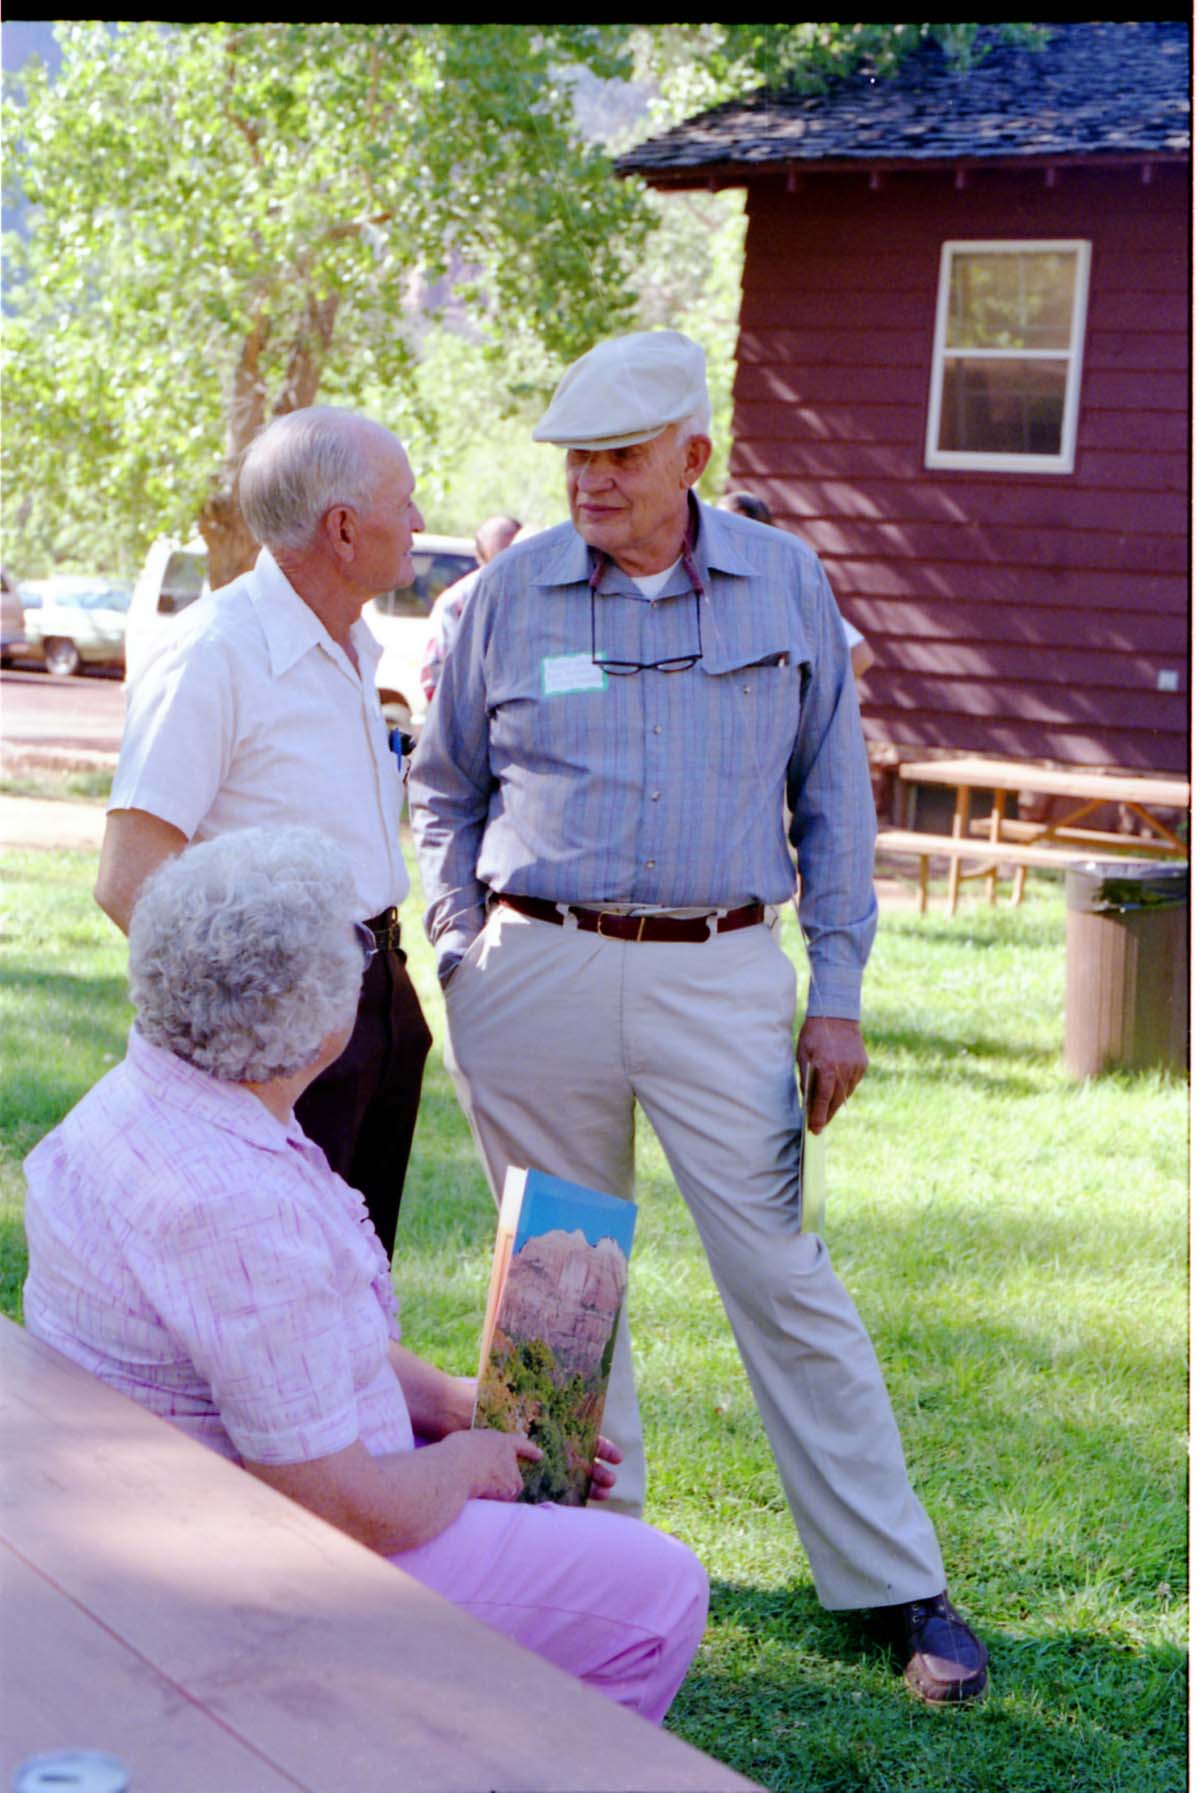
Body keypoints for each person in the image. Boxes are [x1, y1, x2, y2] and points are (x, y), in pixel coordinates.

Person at [408, 328, 988, 1705]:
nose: (591, 483)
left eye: (618, 456)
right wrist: (456, 949)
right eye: (574, 460)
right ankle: (572, 1557)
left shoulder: (787, 584)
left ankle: (896, 1581)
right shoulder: (507, 595)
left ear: (693, 457)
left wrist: (836, 995)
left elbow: (837, 806)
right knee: (561, 1273)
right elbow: (445, 785)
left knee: (785, 1272)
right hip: (534, 966)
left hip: (724, 972)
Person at [25, 826, 708, 1723]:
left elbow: (287, 1346)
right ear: (315, 1021)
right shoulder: (231, 1203)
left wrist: (446, 1403)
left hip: (177, 1506)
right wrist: (467, 1465)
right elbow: (343, 1505)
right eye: (351, 944)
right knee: (659, 1589)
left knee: (575, 1529)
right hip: (258, 1561)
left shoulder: (144, 1102)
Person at [93, 407, 433, 1259]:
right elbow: (128, 876)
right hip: (278, 1026)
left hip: (377, 996)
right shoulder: (214, 650)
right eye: (408, 502)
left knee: (353, 1281)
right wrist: (260, 1038)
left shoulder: (351, 638)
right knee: (272, 1283)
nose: (421, 523)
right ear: (344, 529)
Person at [719, 491, 876, 678]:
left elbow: (859, 654)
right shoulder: (701, 586)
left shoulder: (782, 593)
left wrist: (810, 699)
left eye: (733, 531)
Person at [420, 514, 522, 705]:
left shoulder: (544, 595)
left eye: (514, 554)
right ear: (480, 558)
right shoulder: (457, 603)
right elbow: (436, 676)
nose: (506, 569)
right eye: (498, 561)